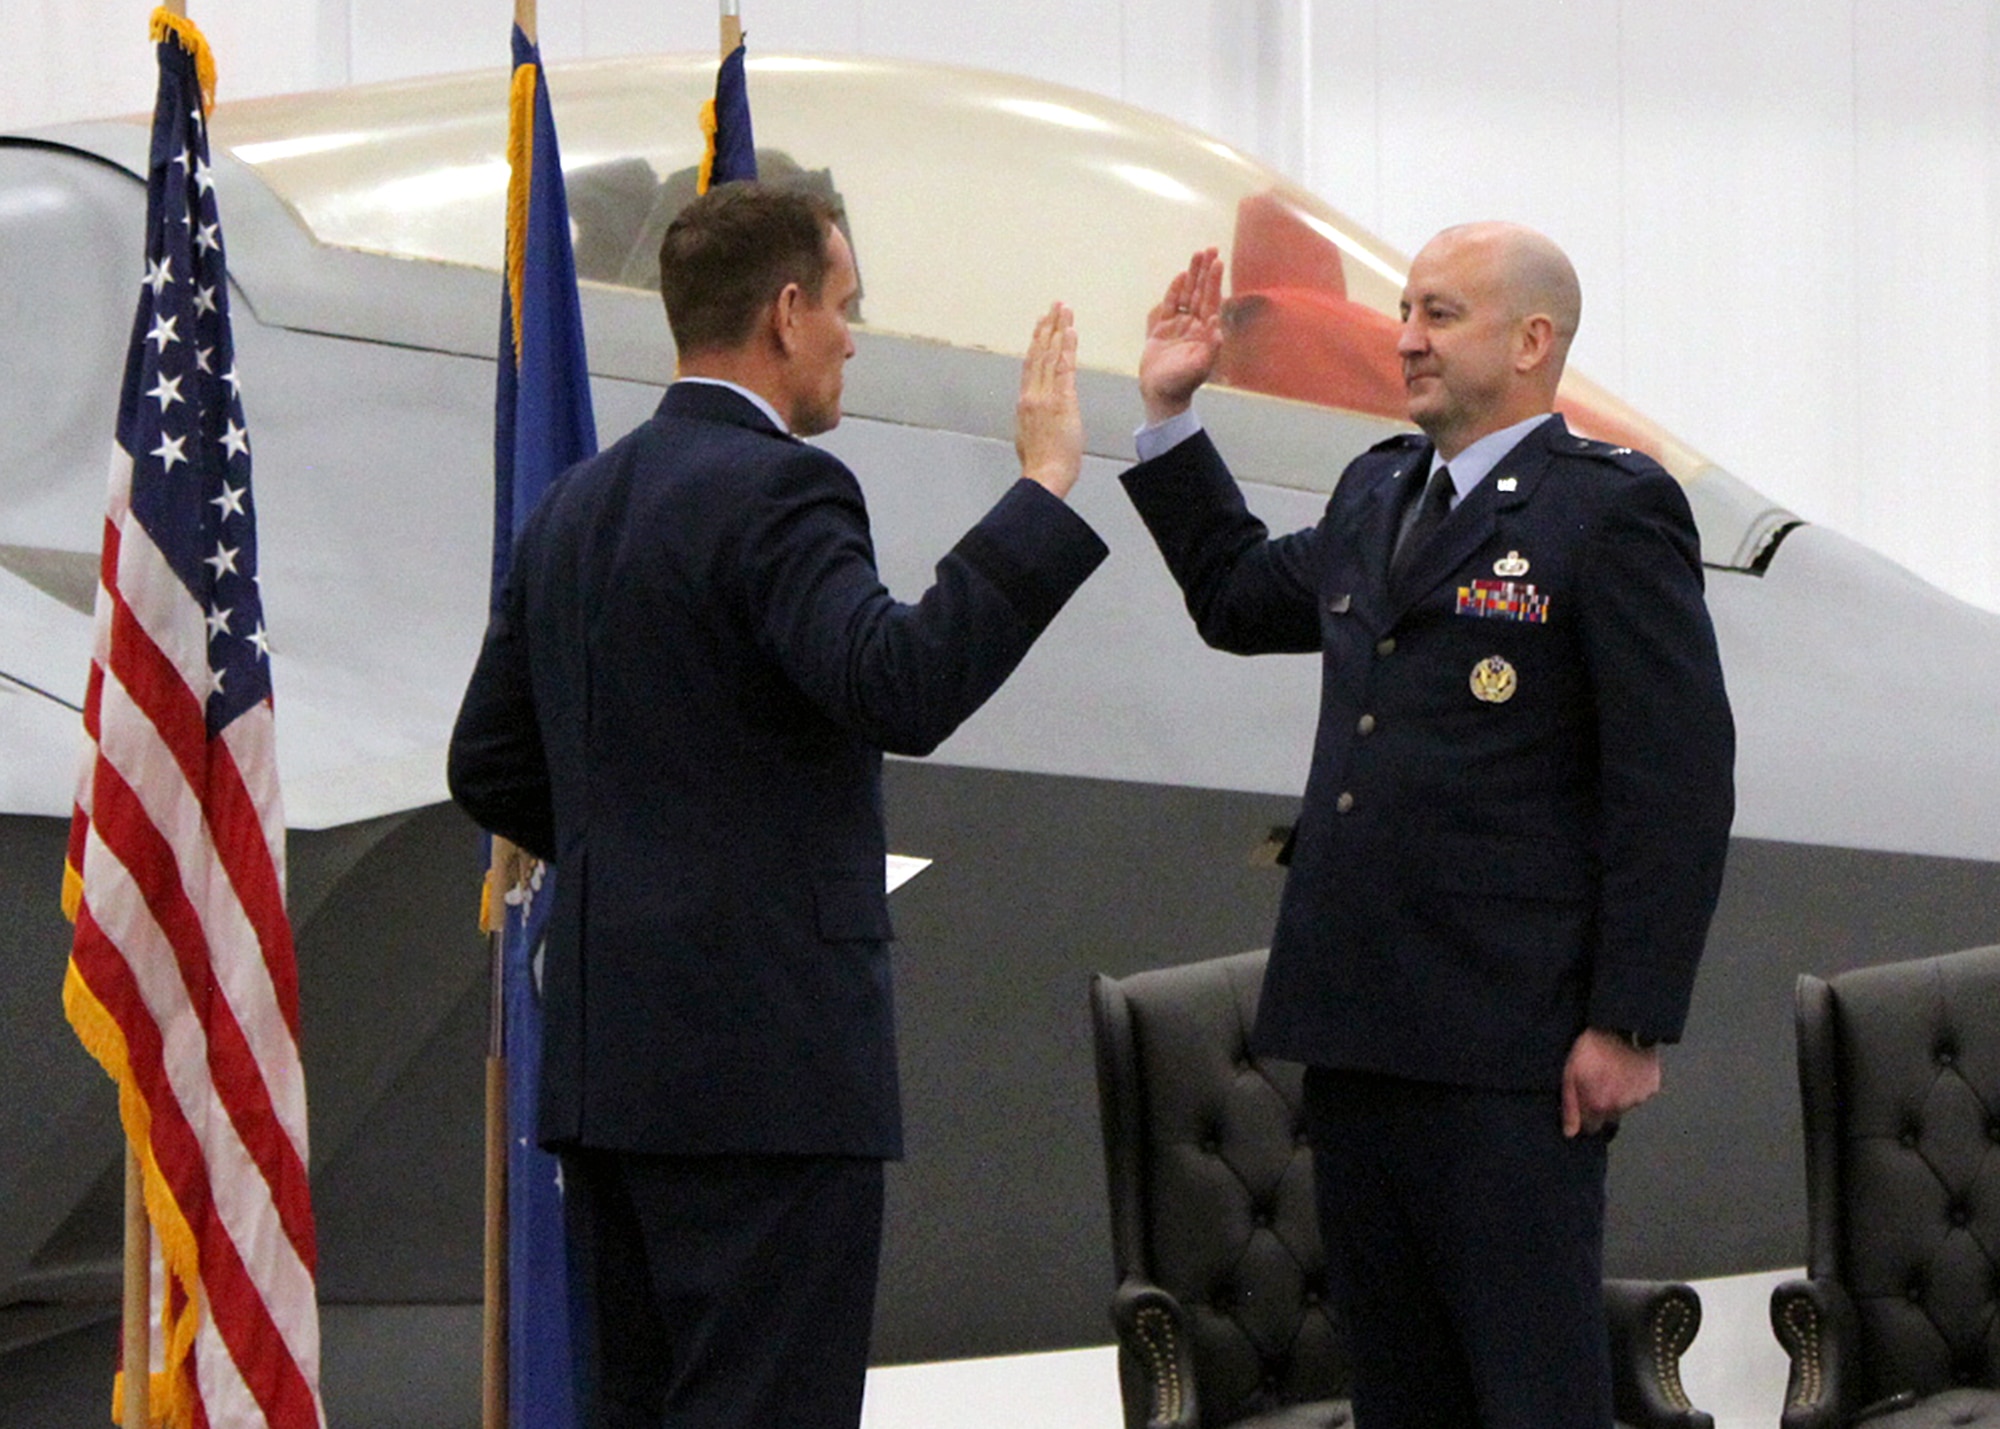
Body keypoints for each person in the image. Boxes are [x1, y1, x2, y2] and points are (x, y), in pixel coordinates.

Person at [447, 182, 1107, 1429]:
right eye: (846, 308)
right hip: (765, 1076)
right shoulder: (784, 490)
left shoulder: (573, 507)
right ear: (788, 312)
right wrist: (1043, 490)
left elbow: (487, 767)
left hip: (611, 1067)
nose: (853, 338)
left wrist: (638, 853)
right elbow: (898, 684)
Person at [1122, 225, 1735, 1428]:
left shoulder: (1605, 513)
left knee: (1526, 1392)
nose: (1402, 336)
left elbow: (1676, 782)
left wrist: (1628, 1017)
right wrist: (1167, 416)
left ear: (1530, 340)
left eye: (1438, 314)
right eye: (1404, 308)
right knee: (1399, 1393)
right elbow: (1236, 597)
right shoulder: (1374, 492)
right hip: (1355, 1027)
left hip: (1508, 1044)